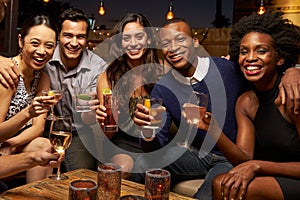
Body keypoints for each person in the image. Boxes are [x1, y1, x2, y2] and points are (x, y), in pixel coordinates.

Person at [132, 18, 300, 199]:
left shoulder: (228, 69)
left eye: (180, 40)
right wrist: (148, 132)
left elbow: (266, 67)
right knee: (140, 163)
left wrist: (293, 70)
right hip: (198, 155)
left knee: (210, 193)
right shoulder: (163, 88)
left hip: (231, 157)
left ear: (195, 43)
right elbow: (157, 144)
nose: (173, 47)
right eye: (166, 43)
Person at [201, 11, 300, 200]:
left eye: (261, 51)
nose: (250, 58)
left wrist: (257, 166)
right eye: (244, 51)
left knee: (225, 186)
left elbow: (252, 164)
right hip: (270, 175)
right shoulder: (246, 102)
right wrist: (213, 130)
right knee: (224, 183)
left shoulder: (293, 94)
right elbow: (244, 158)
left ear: (279, 58)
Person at [0, 8, 107, 172]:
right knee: (44, 148)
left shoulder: (96, 67)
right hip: (38, 129)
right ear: (59, 38)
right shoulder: (28, 65)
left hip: (74, 129)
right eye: (68, 36)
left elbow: (91, 118)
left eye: (80, 37)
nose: (74, 42)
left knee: (82, 172)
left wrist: (91, 112)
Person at [96, 13, 163, 179]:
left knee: (150, 172)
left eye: (139, 36)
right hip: (122, 144)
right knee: (122, 168)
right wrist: (103, 121)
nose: (133, 44)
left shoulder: (163, 70)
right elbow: (108, 134)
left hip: (155, 143)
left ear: (148, 39)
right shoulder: (108, 76)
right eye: (126, 38)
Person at [0, 14, 59, 184]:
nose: (42, 52)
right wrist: (27, 113)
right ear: (21, 41)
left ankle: (35, 194)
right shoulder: (8, 74)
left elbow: (38, 127)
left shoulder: (43, 78)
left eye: (49, 46)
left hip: (13, 143)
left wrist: (12, 144)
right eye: (34, 43)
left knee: (45, 145)